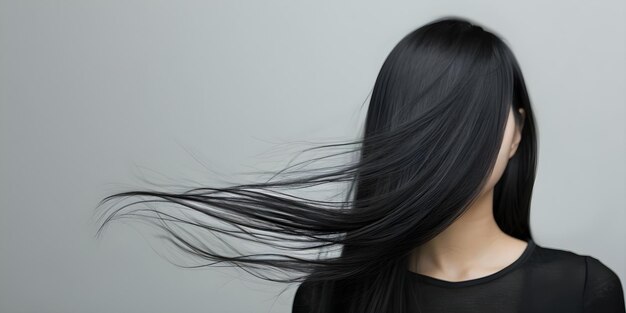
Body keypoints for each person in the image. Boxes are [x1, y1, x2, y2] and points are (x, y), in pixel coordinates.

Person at [93, 16, 625, 313]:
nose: (461, 143)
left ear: (517, 133)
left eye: (481, 119)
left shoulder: (584, 291)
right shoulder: (327, 301)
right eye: (439, 121)